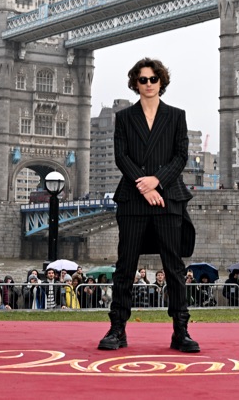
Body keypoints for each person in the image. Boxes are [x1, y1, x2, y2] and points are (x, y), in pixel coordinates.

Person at [97, 58, 200, 353]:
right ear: (135, 83)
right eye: (143, 80)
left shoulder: (177, 116)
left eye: (153, 79)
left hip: (168, 198)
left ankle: (181, 331)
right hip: (133, 198)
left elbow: (181, 156)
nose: (148, 84)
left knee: (174, 268)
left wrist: (157, 181)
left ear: (161, 82)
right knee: (125, 267)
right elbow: (121, 156)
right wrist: (144, 184)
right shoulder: (125, 117)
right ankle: (117, 329)